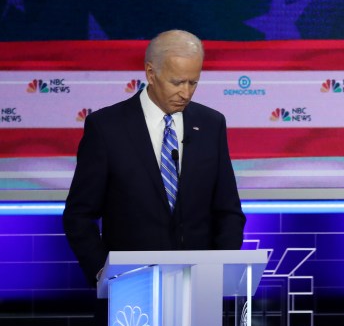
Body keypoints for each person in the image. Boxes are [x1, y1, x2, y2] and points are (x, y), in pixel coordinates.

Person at [63, 29, 246, 285]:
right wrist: (102, 273)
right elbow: (79, 215)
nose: (186, 92)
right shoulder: (106, 127)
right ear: (151, 73)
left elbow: (229, 212)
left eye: (193, 82)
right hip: (128, 288)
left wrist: (220, 270)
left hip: (198, 288)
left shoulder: (210, 124)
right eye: (177, 82)